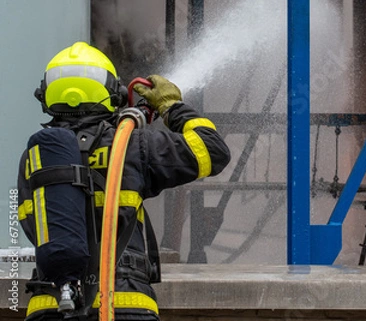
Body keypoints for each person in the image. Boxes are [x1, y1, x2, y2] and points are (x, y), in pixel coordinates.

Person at [17, 41, 231, 320]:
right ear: (113, 92)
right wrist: (171, 107)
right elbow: (212, 151)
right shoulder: (131, 143)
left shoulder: (34, 158)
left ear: (46, 96)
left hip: (51, 306)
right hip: (123, 302)